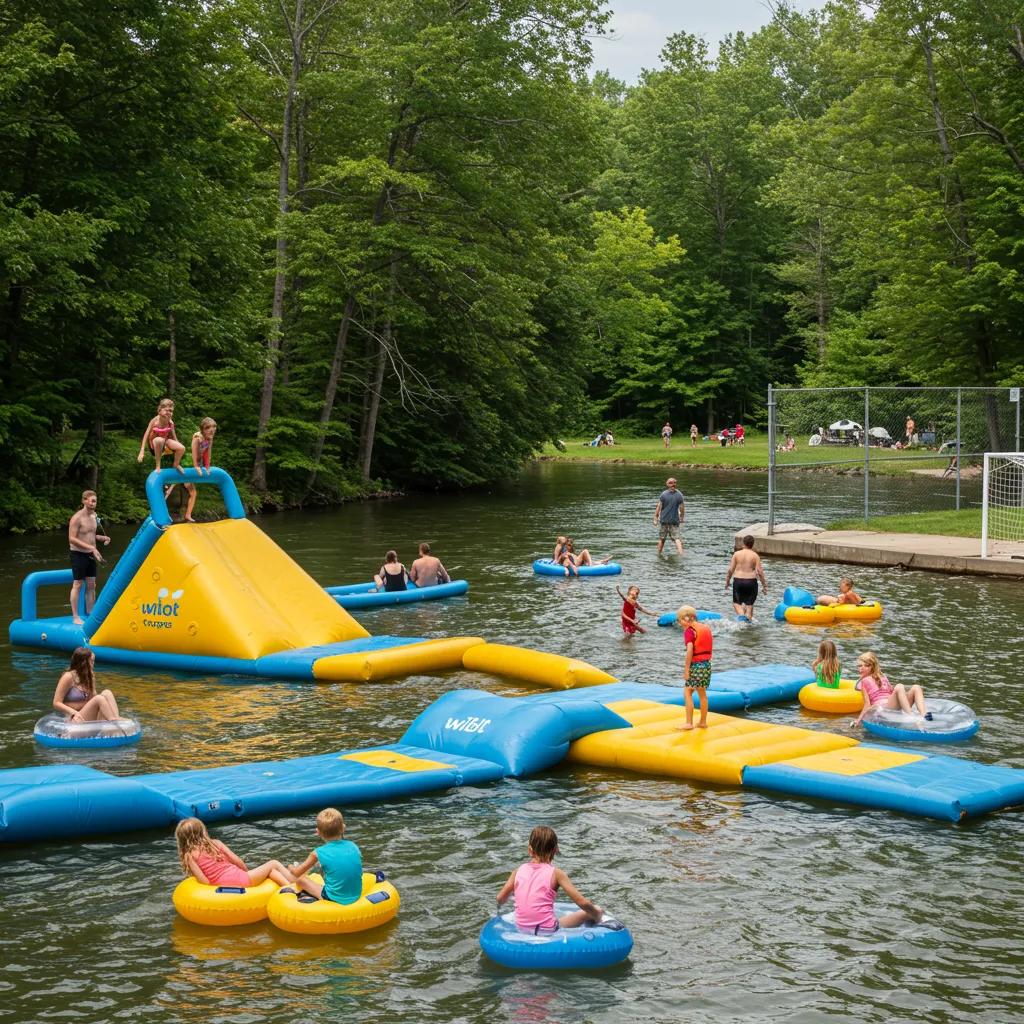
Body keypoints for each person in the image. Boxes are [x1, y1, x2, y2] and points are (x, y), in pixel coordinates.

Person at [496, 825, 603, 933]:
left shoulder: (517, 871)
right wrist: (595, 912)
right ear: (555, 850)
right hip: (547, 930)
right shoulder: (557, 874)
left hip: (521, 928)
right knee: (592, 910)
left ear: (530, 850)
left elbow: (500, 898)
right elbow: (582, 903)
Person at [175, 817, 295, 889]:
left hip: (221, 886)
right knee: (273, 863)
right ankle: (293, 884)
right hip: (240, 879)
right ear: (202, 831)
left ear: (181, 838)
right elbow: (237, 860)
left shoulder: (189, 856)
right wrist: (246, 873)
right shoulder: (215, 843)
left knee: (271, 872)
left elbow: (204, 881)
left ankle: (286, 887)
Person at [289, 808, 364, 903]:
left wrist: (291, 867)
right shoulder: (353, 846)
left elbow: (296, 873)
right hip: (356, 894)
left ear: (318, 832)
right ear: (343, 828)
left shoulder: (318, 852)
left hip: (334, 898)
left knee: (300, 879)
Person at [853, 652, 929, 726]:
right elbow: (867, 704)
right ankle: (911, 717)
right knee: (899, 686)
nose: (861, 668)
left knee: (916, 687)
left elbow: (893, 693)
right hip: (883, 710)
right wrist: (859, 720)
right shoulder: (864, 681)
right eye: (859, 666)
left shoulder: (883, 677)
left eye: (866, 666)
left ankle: (924, 715)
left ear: (872, 666)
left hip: (892, 706)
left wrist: (908, 696)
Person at [68, 490, 110, 624]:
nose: (93, 503)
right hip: (78, 554)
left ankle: (91, 613)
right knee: (78, 584)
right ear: (84, 501)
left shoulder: (94, 516)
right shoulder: (77, 518)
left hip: (91, 554)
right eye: (91, 500)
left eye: (95, 501)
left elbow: (91, 535)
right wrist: (92, 548)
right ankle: (75, 617)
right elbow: (72, 539)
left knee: (92, 584)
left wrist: (102, 537)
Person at [52, 647, 121, 722]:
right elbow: (56, 703)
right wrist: (74, 712)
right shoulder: (68, 677)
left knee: (107, 693)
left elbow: (92, 699)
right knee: (99, 698)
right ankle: (115, 723)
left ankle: (115, 719)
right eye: (91, 661)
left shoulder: (89, 676)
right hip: (74, 717)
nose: (93, 664)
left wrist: (91, 680)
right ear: (83, 663)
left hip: (87, 714)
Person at [677, 605, 712, 730]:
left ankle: (689, 723)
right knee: (702, 694)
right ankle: (703, 722)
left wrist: (686, 669)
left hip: (696, 665)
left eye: (679, 620)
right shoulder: (705, 627)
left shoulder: (689, 631)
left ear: (683, 619)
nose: (680, 623)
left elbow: (690, 650)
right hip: (707, 665)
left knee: (687, 691)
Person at [725, 535, 768, 620]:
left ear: (743, 543)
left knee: (736, 603)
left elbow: (730, 570)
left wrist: (727, 581)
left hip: (738, 581)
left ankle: (742, 617)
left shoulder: (736, 554)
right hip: (751, 582)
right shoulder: (755, 556)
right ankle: (747, 623)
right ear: (752, 544)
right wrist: (764, 586)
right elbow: (760, 572)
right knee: (749, 606)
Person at [138, 397, 186, 473]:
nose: (169, 413)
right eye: (167, 410)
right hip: (154, 445)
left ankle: (176, 465)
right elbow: (146, 435)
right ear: (159, 411)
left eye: (171, 411)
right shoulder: (155, 421)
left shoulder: (170, 423)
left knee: (182, 448)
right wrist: (142, 451)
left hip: (165, 443)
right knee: (159, 440)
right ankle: (158, 466)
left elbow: (175, 438)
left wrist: (178, 448)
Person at [183, 417, 217, 523]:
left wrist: (207, 466)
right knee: (174, 487)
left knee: (193, 492)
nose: (212, 430)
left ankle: (187, 515)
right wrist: (196, 466)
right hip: (188, 464)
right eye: (208, 428)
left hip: (198, 463)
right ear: (203, 429)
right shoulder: (197, 437)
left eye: (214, 427)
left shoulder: (209, 438)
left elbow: (208, 453)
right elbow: (193, 453)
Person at [653, 477, 685, 555]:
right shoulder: (679, 494)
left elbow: (659, 506)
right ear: (667, 484)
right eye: (671, 483)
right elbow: (682, 508)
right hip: (671, 520)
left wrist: (655, 518)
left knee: (662, 539)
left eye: (674, 482)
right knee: (676, 539)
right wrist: (681, 518)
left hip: (666, 520)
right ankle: (681, 555)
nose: (673, 484)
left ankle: (658, 555)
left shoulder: (664, 494)